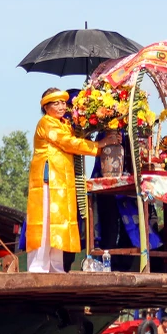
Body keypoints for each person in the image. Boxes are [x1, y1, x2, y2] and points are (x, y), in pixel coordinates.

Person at [26, 88, 119, 273]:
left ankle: (55, 267)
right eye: (56, 103)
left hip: (62, 181)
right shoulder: (47, 123)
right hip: (48, 180)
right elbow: (69, 143)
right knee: (45, 223)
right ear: (46, 107)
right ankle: (38, 268)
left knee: (59, 222)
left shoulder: (64, 124)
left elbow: (75, 138)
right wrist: (100, 145)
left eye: (63, 103)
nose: (61, 107)